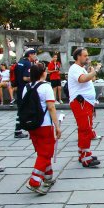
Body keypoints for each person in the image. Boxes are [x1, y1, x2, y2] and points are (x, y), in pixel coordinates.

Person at [23, 62, 62, 194]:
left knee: (41, 151)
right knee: (46, 153)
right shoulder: (46, 87)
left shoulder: (27, 87)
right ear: (42, 73)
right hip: (44, 124)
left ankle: (48, 176)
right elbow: (51, 107)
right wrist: (57, 126)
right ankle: (34, 181)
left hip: (31, 124)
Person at [67, 47, 100, 167]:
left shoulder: (81, 68)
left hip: (86, 102)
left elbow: (91, 79)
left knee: (85, 128)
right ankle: (86, 157)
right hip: (80, 102)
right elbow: (82, 79)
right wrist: (95, 71)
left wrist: (92, 71)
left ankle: (83, 153)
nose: (87, 58)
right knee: (85, 128)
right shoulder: (75, 68)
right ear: (78, 57)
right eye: (85, 56)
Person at [13, 49, 37, 138]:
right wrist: (36, 78)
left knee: (21, 109)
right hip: (25, 89)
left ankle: (19, 129)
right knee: (25, 110)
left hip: (19, 88)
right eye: (34, 54)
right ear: (30, 55)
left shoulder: (20, 62)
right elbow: (25, 78)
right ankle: (19, 130)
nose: (35, 56)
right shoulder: (27, 63)